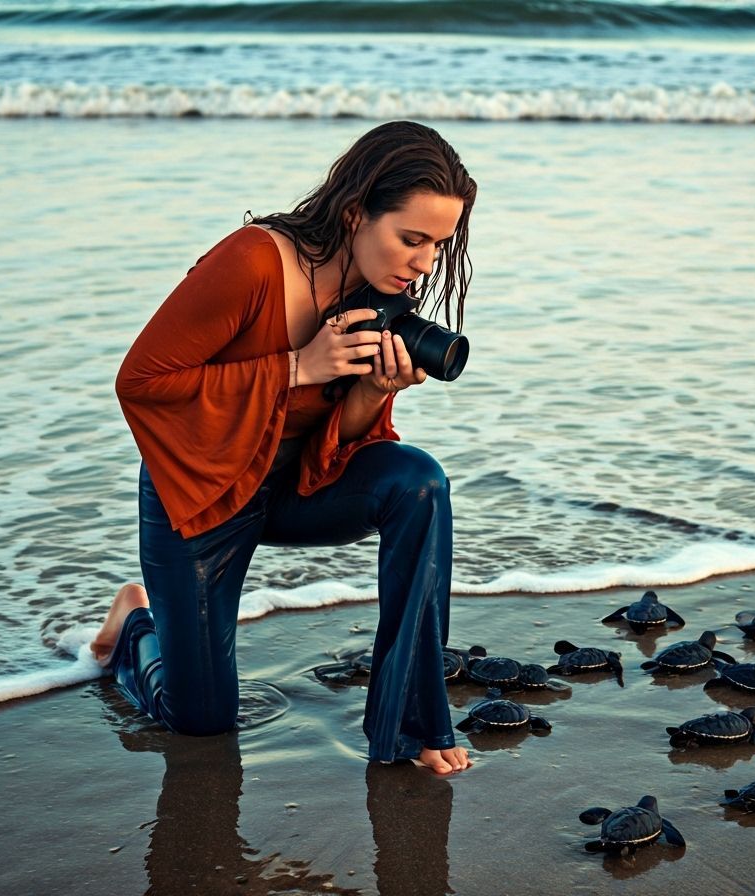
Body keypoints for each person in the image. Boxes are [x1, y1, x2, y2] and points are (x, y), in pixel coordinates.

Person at [90, 121, 476, 775]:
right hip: (206, 489)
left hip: (297, 487)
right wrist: (298, 366)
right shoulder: (252, 261)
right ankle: (134, 627)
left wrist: (370, 393)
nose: (423, 263)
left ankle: (411, 729)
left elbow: (338, 444)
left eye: (438, 245)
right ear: (356, 213)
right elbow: (143, 382)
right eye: (411, 239)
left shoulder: (383, 293)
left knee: (419, 482)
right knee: (202, 723)